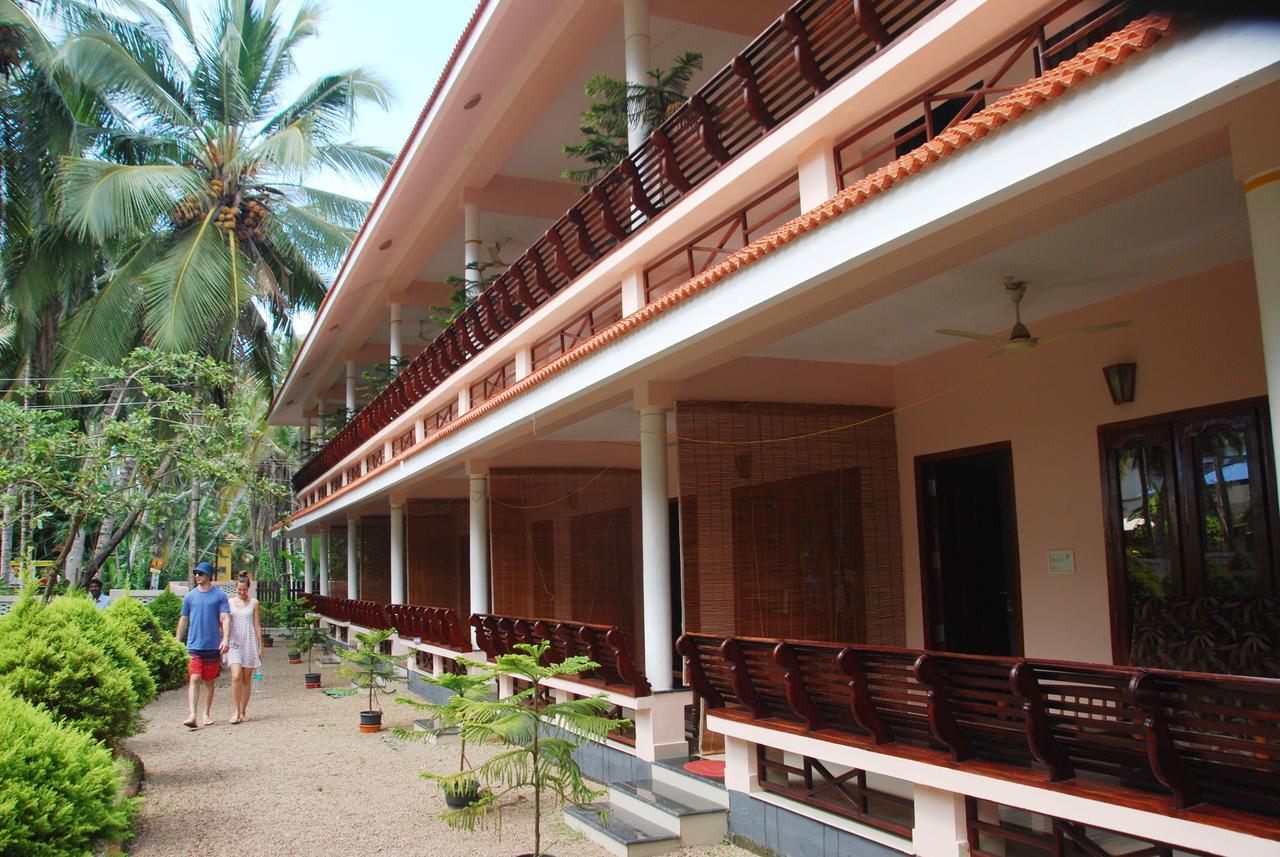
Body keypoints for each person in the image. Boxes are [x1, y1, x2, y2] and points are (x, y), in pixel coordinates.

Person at [175, 561, 230, 729]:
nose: (197, 576)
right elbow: (184, 619)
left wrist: (225, 639)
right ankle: (192, 714)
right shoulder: (190, 596)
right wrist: (177, 641)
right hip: (194, 645)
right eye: (196, 573)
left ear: (208, 576)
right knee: (195, 677)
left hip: (212, 645)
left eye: (201, 573)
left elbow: (225, 618)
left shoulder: (219, 596)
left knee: (209, 680)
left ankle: (206, 713)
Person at [226, 572, 263, 724]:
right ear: (236, 588)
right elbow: (224, 621)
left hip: (249, 641)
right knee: (236, 676)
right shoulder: (229, 603)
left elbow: (257, 625)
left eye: (244, 589)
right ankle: (235, 710)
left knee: (247, 678)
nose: (242, 592)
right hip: (234, 641)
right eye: (239, 589)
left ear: (248, 588)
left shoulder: (254, 603)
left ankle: (242, 710)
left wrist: (260, 646)